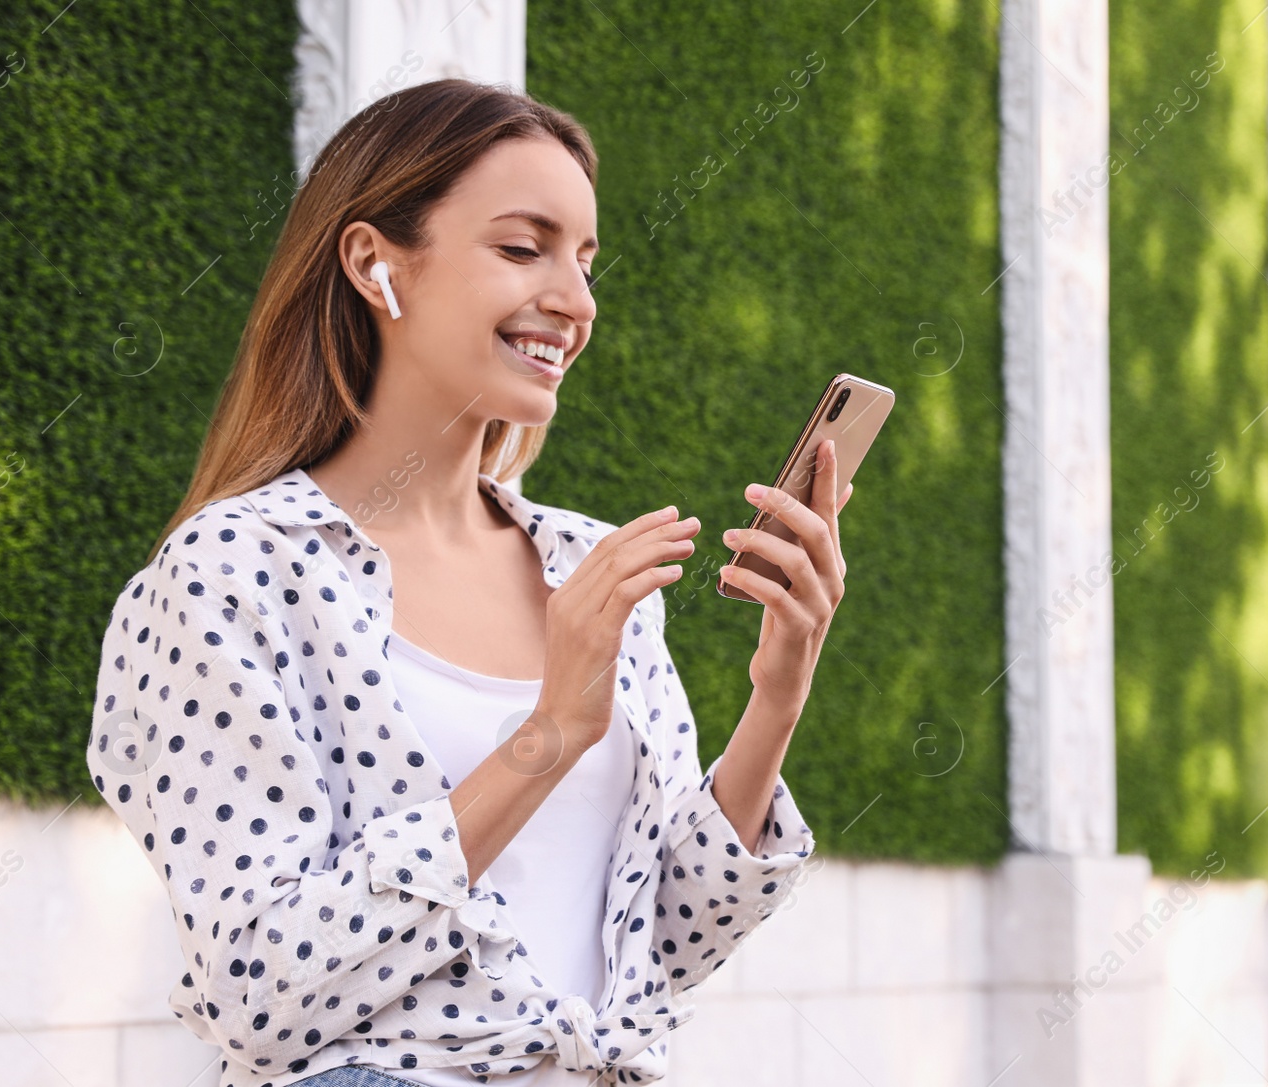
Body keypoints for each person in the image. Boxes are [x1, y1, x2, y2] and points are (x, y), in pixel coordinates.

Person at [84, 78, 856, 1087]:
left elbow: (666, 940)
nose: (574, 302)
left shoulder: (589, 565)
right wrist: (546, 736)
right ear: (374, 263)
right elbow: (258, 991)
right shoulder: (235, 573)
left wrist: (777, 694)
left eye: (583, 260)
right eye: (521, 247)